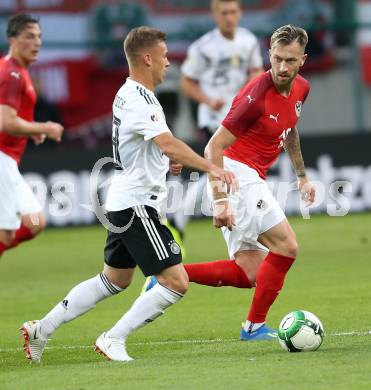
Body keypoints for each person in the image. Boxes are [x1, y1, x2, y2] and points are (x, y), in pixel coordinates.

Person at [21, 26, 236, 363]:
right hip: (137, 203)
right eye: (164, 57)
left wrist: (165, 161)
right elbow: (167, 142)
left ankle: (42, 328)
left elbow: (148, 146)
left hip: (125, 198)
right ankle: (113, 338)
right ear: (147, 58)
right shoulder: (140, 99)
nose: (168, 63)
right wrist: (211, 167)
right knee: (176, 281)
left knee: (115, 279)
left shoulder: (127, 92)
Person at [144, 24, 316, 341]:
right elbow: (213, 147)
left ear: (303, 60)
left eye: (290, 61)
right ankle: (253, 327)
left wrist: (302, 175)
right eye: (277, 58)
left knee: (250, 272)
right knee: (287, 246)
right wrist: (220, 200)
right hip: (236, 174)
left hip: (252, 177)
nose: (282, 67)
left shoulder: (301, 89)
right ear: (269, 55)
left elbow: (289, 130)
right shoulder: (255, 96)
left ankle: (165, 275)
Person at [168, 0, 264, 239]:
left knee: (226, 168)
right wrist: (208, 100)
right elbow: (186, 82)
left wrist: (248, 93)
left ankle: (180, 215)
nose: (229, 17)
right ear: (215, 15)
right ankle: (190, 216)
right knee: (224, 166)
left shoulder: (248, 41)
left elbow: (257, 73)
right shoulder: (203, 47)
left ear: (239, 13)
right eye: (224, 13)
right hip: (214, 116)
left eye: (233, 12)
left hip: (240, 115)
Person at [0, 14, 64, 259]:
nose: (36, 42)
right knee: (9, 232)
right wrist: (43, 128)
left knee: (34, 222)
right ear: (13, 39)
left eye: (39, 36)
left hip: (8, 160)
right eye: (29, 36)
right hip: (2, 157)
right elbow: (6, 122)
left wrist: (30, 129)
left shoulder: (16, 71)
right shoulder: (13, 75)